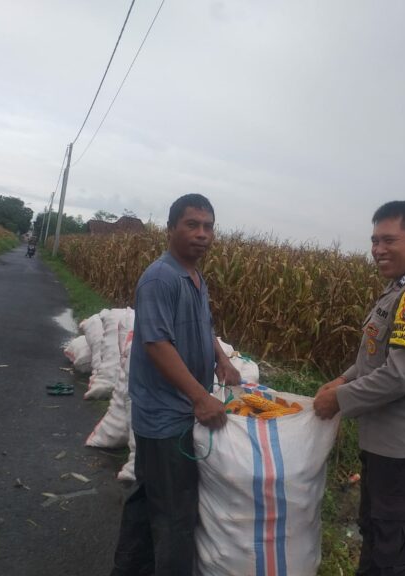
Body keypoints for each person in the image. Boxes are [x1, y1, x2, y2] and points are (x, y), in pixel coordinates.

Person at [313, 201, 405, 576]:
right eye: (374, 240)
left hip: (404, 445)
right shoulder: (399, 288)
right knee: (376, 532)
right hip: (384, 442)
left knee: (396, 549)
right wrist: (344, 378)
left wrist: (339, 401)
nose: (377, 250)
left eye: (389, 240)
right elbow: (374, 358)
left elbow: (399, 376)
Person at [111, 193, 241, 576]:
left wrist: (220, 358)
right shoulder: (160, 278)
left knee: (148, 498)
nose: (202, 234)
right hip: (166, 415)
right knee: (175, 515)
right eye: (192, 225)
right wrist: (201, 397)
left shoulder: (195, 278)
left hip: (176, 411)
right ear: (170, 229)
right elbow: (157, 343)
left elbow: (203, 326)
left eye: (208, 227)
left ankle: (129, 568)